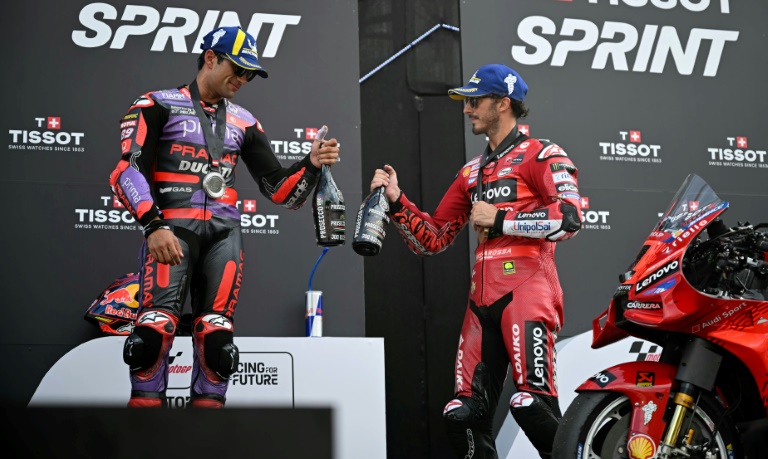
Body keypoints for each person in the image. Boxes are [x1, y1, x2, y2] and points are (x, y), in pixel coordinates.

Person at [109, 26, 339, 408]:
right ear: (210, 58)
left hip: (224, 238)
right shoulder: (156, 104)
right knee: (151, 339)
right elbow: (126, 172)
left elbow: (280, 191)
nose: (244, 79)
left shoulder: (245, 122)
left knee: (218, 348)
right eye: (238, 69)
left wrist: (311, 164)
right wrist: (153, 225)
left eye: (250, 74)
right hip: (171, 234)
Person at [368, 64, 582, 458]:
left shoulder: (542, 154)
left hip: (528, 294)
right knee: (461, 414)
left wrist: (500, 218)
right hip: (480, 304)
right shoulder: (472, 172)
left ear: (503, 104)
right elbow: (432, 239)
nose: (466, 108)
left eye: (475, 100)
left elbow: (570, 219)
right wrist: (398, 201)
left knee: (532, 405)